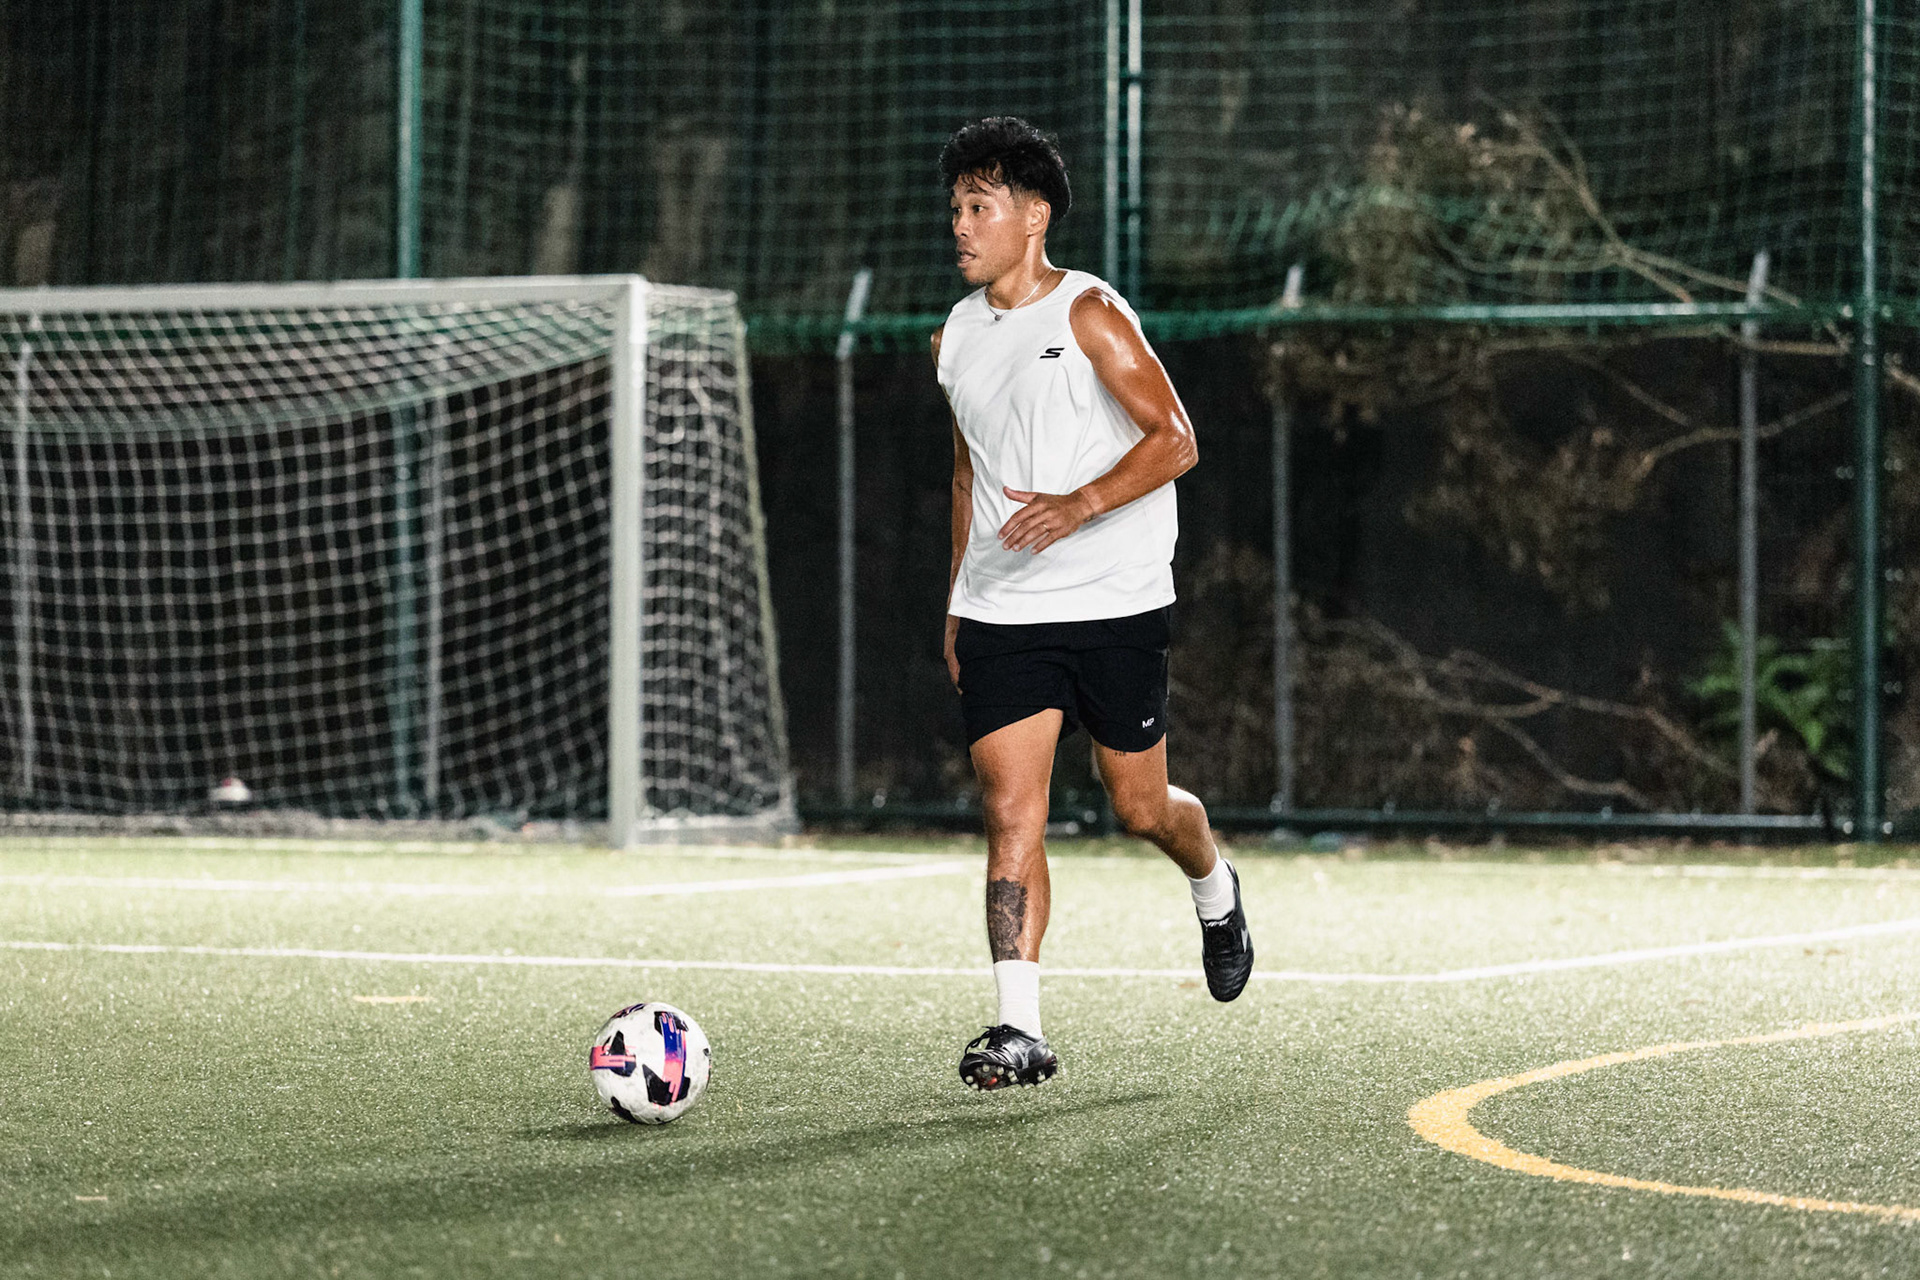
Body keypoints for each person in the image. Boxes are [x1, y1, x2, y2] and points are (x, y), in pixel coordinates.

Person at [931, 116, 1254, 1092]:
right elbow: (964, 473)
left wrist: (1077, 505)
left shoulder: (1091, 314)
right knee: (1010, 808)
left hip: (1115, 605)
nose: (958, 224)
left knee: (1140, 804)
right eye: (953, 207)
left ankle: (1214, 883)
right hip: (1001, 611)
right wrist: (957, 599)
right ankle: (1017, 1026)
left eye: (977, 206)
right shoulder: (953, 336)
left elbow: (1176, 437)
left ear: (1032, 217)